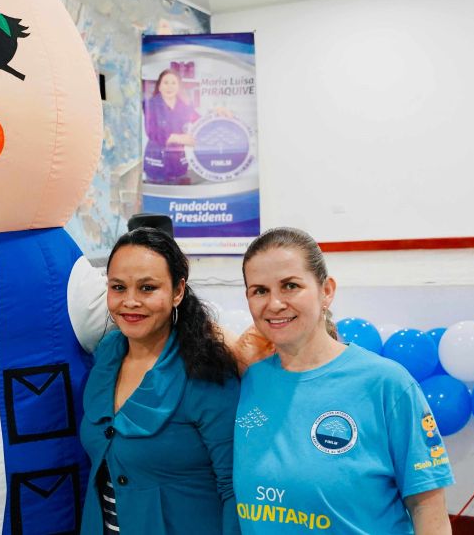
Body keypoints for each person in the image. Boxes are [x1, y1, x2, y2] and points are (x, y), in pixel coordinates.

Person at [234, 227, 453, 534]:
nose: (274, 303)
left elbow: (428, 509)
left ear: (326, 291)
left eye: (290, 286)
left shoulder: (385, 384)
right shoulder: (249, 381)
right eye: (260, 290)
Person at [80, 227, 241, 534]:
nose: (130, 301)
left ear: (178, 291)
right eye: (118, 287)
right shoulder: (106, 355)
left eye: (147, 288)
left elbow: (233, 487)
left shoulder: (206, 372)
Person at [143, 68, 199, 185]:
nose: (170, 87)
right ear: (159, 86)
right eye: (166, 82)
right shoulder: (150, 105)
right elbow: (152, 132)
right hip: (156, 167)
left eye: (173, 83)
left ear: (179, 87)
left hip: (179, 167)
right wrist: (178, 138)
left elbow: (201, 121)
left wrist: (217, 112)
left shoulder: (185, 106)